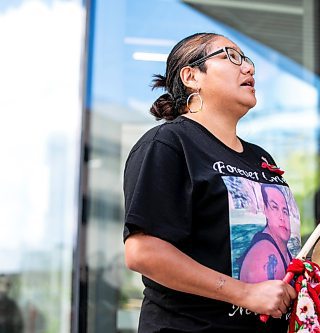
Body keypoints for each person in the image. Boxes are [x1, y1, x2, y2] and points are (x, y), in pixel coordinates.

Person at [123, 32, 298, 333]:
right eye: (231, 57)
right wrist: (245, 294)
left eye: (247, 60)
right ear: (191, 76)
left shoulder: (261, 158)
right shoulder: (168, 143)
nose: (248, 68)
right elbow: (143, 251)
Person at [239, 184, 293, 283]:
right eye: (274, 207)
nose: (282, 217)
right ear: (266, 211)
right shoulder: (263, 254)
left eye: (285, 211)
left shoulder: (281, 246)